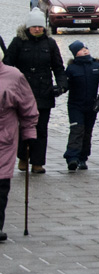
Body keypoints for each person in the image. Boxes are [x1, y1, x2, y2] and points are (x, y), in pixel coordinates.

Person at [4, 10, 65, 174]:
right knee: (23, 127)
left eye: (40, 26)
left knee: (41, 129)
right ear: (28, 27)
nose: (37, 29)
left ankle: (38, 162)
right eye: (34, 26)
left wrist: (61, 85)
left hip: (44, 92)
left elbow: (58, 68)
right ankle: (23, 157)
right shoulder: (18, 42)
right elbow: (8, 65)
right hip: (22, 93)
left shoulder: (50, 44)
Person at [0, 60, 37, 242]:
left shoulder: (13, 76)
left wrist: (29, 132)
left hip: (3, 138)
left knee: (1, 184)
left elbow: (28, 106)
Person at [63, 40, 99, 171]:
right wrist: (58, 89)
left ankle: (83, 158)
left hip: (92, 106)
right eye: (80, 49)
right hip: (75, 106)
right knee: (77, 130)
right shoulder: (72, 68)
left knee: (87, 132)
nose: (84, 51)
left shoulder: (97, 66)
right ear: (75, 53)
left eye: (85, 48)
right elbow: (66, 85)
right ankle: (72, 158)